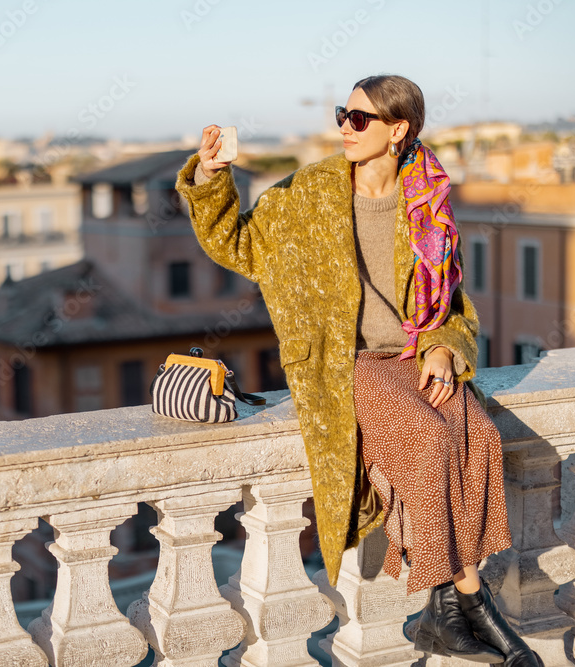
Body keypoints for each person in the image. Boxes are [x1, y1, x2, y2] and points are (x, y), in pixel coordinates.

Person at [174, 74, 543, 666]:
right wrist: (212, 177)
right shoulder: (311, 191)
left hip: (413, 353)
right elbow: (237, 244)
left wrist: (443, 347)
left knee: (478, 437)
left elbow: (451, 303)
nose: (345, 127)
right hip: (341, 361)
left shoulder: (428, 199)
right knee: (427, 439)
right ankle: (471, 600)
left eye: (360, 119)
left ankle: (445, 612)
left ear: (398, 130)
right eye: (342, 115)